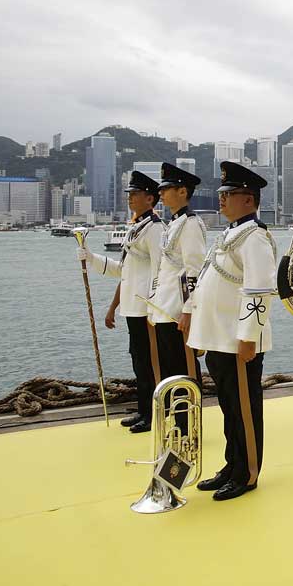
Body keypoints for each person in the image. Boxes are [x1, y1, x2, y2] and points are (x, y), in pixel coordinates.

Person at [188, 162, 278, 501]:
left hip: (237, 340)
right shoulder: (230, 234)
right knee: (229, 408)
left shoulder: (254, 237)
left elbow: (260, 290)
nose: (222, 199)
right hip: (219, 338)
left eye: (229, 194)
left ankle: (247, 472)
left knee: (244, 409)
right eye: (223, 193)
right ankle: (232, 464)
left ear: (248, 199)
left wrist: (248, 337)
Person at [75, 170, 164, 433]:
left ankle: (153, 415)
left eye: (135, 194)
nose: (130, 198)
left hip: (146, 308)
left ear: (150, 198)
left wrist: (155, 306)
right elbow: (123, 271)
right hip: (132, 307)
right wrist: (90, 257)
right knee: (139, 362)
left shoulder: (156, 229)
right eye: (130, 194)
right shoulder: (137, 228)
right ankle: (143, 410)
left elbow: (162, 270)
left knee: (149, 363)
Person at [151, 163, 207, 401]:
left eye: (167, 188)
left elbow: (194, 270)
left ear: (183, 191)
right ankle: (174, 424)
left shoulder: (190, 224)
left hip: (177, 313)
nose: (161, 193)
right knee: (169, 374)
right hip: (164, 309)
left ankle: (187, 428)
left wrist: (188, 311)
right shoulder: (174, 223)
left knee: (183, 373)